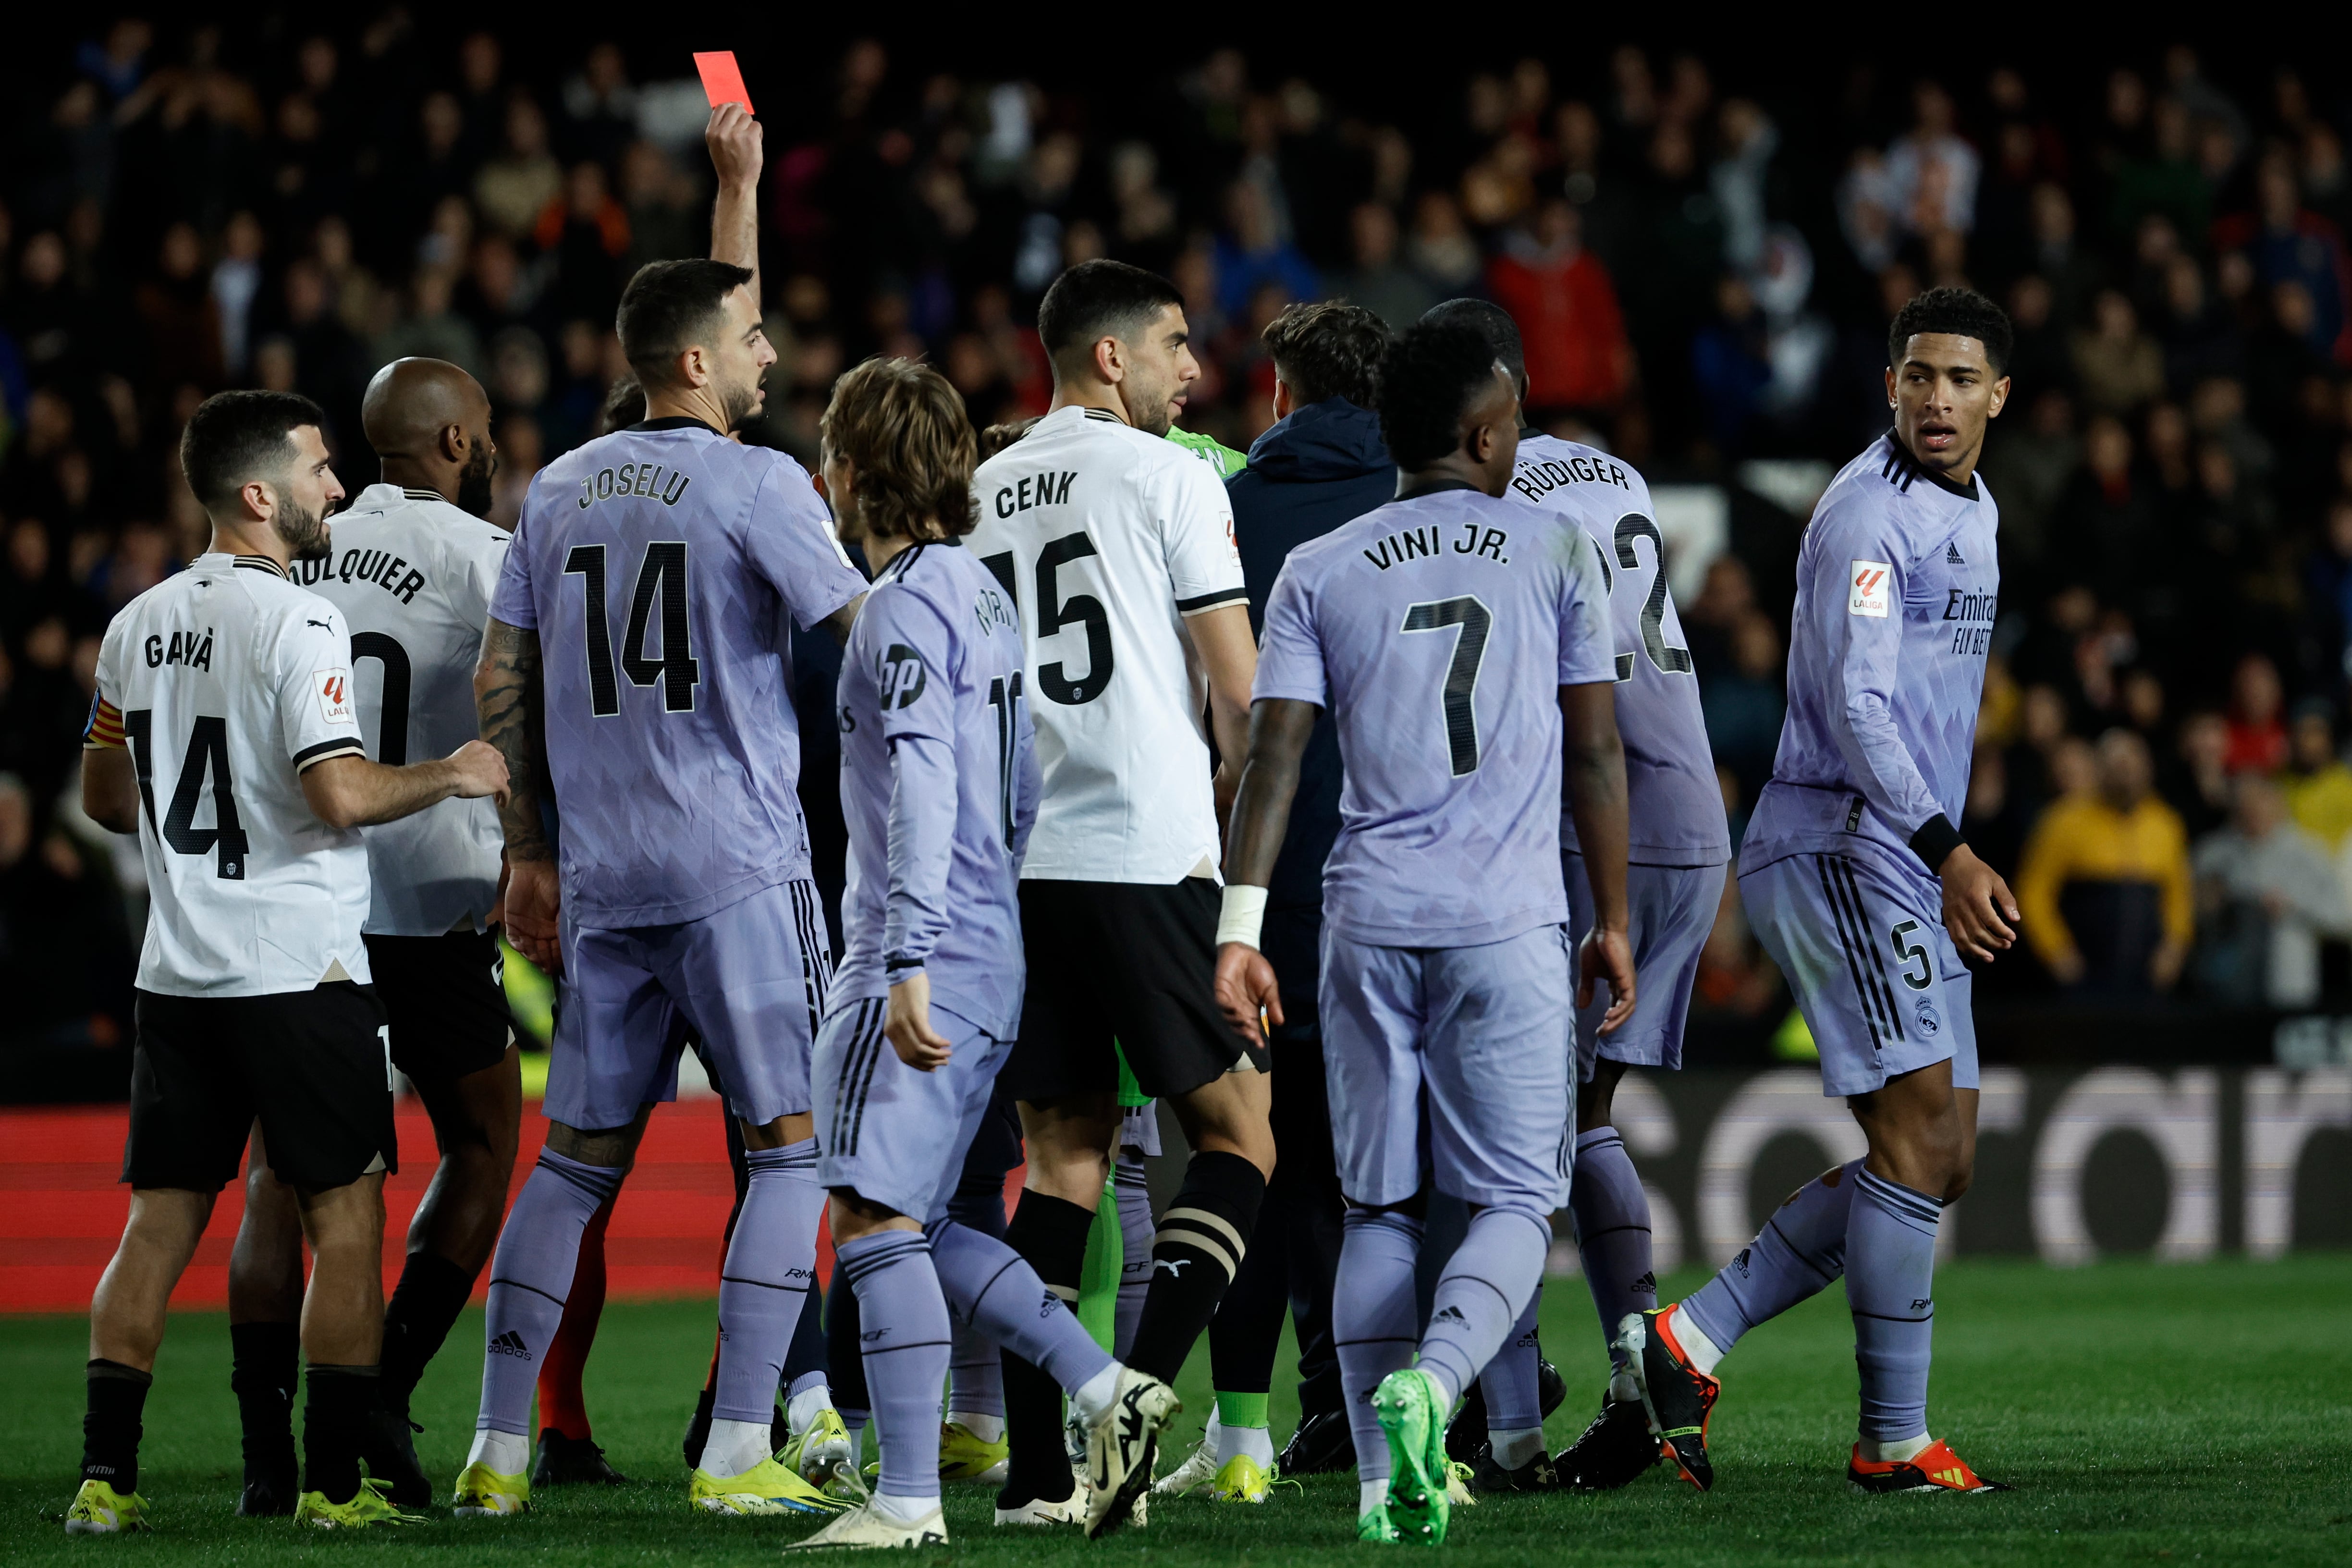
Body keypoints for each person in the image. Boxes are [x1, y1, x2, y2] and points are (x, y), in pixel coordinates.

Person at [454, 254, 869, 1520]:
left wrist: (530, 851)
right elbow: (868, 640)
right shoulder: (761, 483)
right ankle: (742, 1442)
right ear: (695, 360)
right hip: (739, 868)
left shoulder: (557, 488)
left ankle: (496, 1451)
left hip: (605, 879)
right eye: (751, 338)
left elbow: (498, 683)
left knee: (573, 1166)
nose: (770, 357)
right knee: (791, 1150)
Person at [1213, 316, 1635, 1546]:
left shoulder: (1322, 568)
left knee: (1378, 1209)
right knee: (1512, 1199)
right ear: (1483, 431)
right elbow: (1597, 751)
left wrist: (1240, 927)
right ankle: (1435, 1385)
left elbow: (1272, 758)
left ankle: (1375, 1489)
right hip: (1503, 923)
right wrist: (1612, 918)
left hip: (1364, 924)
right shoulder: (1555, 546)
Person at [67, 390, 508, 1533]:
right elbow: (339, 790)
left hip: (178, 975)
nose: (336, 487)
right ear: (258, 493)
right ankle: (329, 1486)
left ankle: (104, 1481)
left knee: (158, 1226)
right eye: (317, 469)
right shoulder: (296, 622)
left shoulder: (136, 622)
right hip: (301, 975)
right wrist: (452, 774)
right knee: (344, 1223)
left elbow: (105, 794)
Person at [1626, 287, 2018, 1497]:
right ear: (1888, 387)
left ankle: (1687, 1340)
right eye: (1916, 377)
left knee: (1942, 1157)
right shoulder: (1863, 519)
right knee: (1912, 1135)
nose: (1936, 398)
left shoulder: (1979, 510)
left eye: (1959, 379)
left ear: (1998, 394)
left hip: (1906, 851)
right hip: (1844, 839)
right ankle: (1891, 1441)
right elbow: (1852, 712)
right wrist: (1950, 847)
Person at [788, 356, 1164, 1549]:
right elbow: (1016, 780)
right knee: (942, 1218)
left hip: (924, 954)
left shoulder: (897, 607)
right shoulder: (983, 592)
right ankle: (1109, 1393)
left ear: (851, 474)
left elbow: (923, 780)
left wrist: (905, 956)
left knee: (867, 1216)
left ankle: (905, 1501)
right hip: (992, 941)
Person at [965, 257, 1271, 1538]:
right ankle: (1138, 1394)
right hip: (1148, 854)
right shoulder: (1175, 479)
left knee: (1062, 1161)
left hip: (1022, 864)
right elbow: (1243, 701)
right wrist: (1248, 896)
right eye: (1173, 346)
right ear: (1110, 358)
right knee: (1241, 1140)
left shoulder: (977, 489)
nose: (1192, 371)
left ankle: (1041, 1479)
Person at [1424, 296, 1730, 1493]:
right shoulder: (1613, 470)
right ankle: (1629, 1363)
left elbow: (1541, 685)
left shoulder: (1496, 500)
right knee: (1583, 1112)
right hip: (1688, 815)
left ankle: (1506, 1428)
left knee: (1505, 1136)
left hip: (1588, 824)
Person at [222, 357, 522, 1512]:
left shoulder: (298, 542)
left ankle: (263, 1458)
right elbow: (523, 719)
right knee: (484, 1139)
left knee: (275, 1173)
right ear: (450, 440)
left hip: (303, 897)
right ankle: (385, 1388)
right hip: (434, 888)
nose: (492, 445)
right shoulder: (487, 559)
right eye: (485, 429)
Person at [1158, 299, 1390, 1501]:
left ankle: (1265, 1425)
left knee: (1254, 1154)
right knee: (1393, 1170)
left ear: (1279, 399)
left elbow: (1202, 706)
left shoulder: (1227, 510)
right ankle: (1439, 1401)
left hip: (1255, 883)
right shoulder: (1427, 509)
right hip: (1411, 886)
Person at [2012, 728, 2192, 995]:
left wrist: (2174, 950)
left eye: (2135, 766)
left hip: (2148, 979)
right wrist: (2057, 952)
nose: (2128, 776)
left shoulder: (2165, 824)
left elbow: (2179, 896)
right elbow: (2033, 893)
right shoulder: (2064, 820)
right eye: (2119, 767)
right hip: (2083, 977)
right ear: (2100, 770)